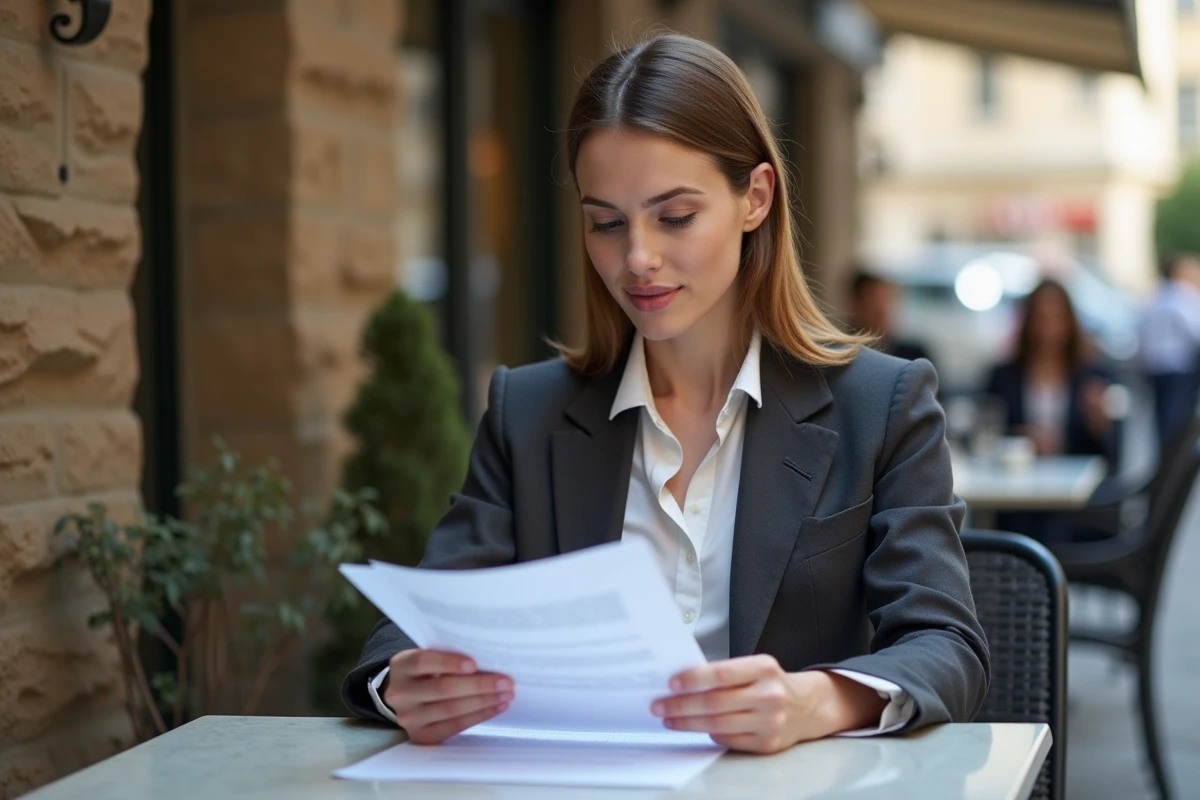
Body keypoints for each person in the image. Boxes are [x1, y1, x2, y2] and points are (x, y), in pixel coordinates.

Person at [342, 33, 988, 754]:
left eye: (675, 216)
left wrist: (816, 700)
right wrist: (402, 686)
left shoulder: (882, 405)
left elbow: (945, 646)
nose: (638, 258)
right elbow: (408, 630)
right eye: (606, 223)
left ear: (755, 197)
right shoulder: (527, 414)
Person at [983, 278, 1120, 542]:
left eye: (1056, 317)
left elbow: (1112, 457)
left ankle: (1045, 576)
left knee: (1051, 527)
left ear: (1070, 321)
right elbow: (989, 431)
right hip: (1016, 493)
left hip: (1074, 500)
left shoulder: (1094, 376)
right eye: (1040, 317)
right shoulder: (1003, 376)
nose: (1048, 328)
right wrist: (1022, 440)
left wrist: (1099, 423)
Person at [1139, 252, 1200, 447]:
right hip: (1178, 366)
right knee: (1177, 418)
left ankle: (1166, 458)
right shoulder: (1185, 296)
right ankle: (1174, 460)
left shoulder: (1154, 296)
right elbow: (1195, 330)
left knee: (1161, 416)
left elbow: (1141, 330)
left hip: (1155, 366)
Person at [847, 269, 932, 363]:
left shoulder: (914, 356)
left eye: (887, 300)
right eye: (874, 300)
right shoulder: (841, 352)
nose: (882, 308)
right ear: (856, 304)